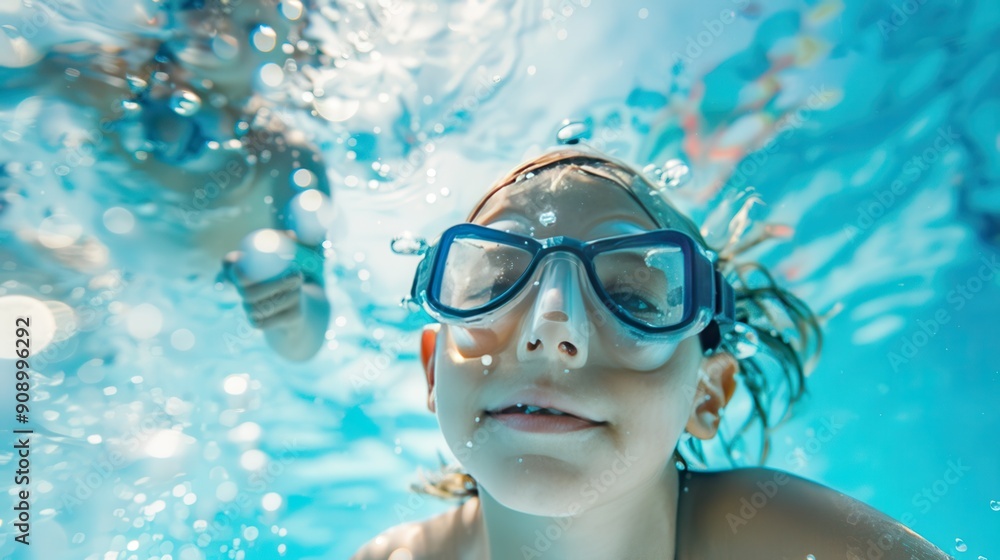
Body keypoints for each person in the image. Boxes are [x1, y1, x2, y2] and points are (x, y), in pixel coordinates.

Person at [352, 148, 952, 559]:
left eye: (631, 300)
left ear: (707, 392)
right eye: (492, 289)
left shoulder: (780, 538)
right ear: (433, 369)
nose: (551, 328)